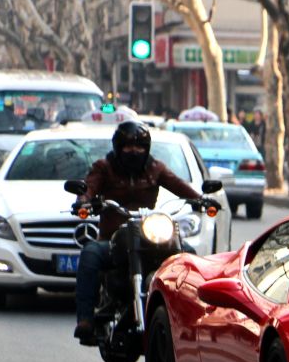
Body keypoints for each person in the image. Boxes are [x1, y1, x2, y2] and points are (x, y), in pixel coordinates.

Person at [72, 121, 200, 344]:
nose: (134, 152)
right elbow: (89, 186)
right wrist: (83, 201)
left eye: (140, 148)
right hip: (113, 238)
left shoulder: (155, 168)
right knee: (90, 253)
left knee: (188, 255)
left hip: (147, 233)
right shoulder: (104, 167)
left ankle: (195, 316)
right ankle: (85, 319)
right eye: (129, 148)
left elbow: (178, 185)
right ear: (118, 148)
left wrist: (201, 200)